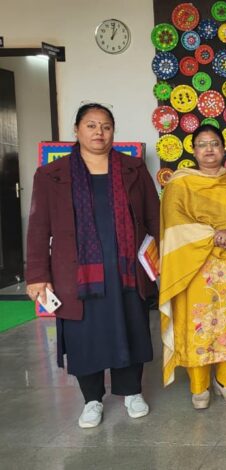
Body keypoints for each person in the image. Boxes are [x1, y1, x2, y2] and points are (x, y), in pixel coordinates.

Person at [25, 102, 160, 428]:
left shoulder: (133, 168)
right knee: (85, 336)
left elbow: (154, 217)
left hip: (127, 270)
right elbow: (39, 227)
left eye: (106, 126)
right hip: (77, 274)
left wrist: (164, 259)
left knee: (131, 327)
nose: (99, 132)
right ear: (76, 130)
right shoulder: (51, 174)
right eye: (91, 125)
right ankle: (92, 399)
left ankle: (132, 392)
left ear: (113, 131)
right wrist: (37, 275)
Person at [159, 124, 226, 410]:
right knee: (198, 323)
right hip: (194, 267)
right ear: (193, 151)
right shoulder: (180, 184)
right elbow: (174, 222)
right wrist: (214, 236)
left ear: (224, 149)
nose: (209, 149)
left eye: (215, 144)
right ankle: (199, 386)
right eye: (202, 144)